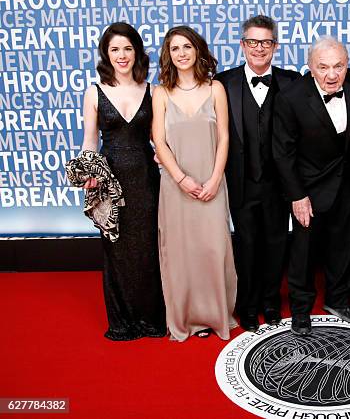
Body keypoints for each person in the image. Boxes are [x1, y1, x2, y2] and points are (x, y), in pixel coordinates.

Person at [273, 36, 350, 336]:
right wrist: (297, 196)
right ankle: (301, 310)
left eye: (338, 66)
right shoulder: (291, 96)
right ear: (310, 67)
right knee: (304, 253)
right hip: (308, 190)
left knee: (344, 247)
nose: (331, 74)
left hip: (347, 184)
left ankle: (338, 300)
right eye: (323, 67)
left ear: (347, 66)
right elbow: (282, 153)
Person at [81, 22, 166, 341]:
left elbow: (160, 140)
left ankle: (152, 319)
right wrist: (89, 171)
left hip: (145, 178)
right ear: (106, 53)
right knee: (116, 249)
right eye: (114, 49)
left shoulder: (153, 90)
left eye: (127, 48)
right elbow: (90, 140)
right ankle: (123, 321)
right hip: (108, 179)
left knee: (147, 248)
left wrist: (165, 156)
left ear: (137, 52)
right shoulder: (94, 91)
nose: (121, 55)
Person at [152, 26, 237, 341]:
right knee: (181, 252)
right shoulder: (160, 92)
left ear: (198, 50)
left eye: (187, 46)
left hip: (212, 182)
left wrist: (215, 179)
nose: (182, 53)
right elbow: (159, 142)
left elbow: (225, 137)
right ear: (168, 55)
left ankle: (216, 315)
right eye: (175, 48)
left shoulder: (215, 89)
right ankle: (188, 318)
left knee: (213, 249)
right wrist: (181, 178)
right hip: (176, 186)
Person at [215, 15, 300, 332]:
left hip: (280, 186)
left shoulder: (292, 82)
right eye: (252, 41)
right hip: (240, 183)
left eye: (266, 42)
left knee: (277, 245)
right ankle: (248, 307)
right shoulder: (223, 83)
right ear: (242, 44)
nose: (259, 48)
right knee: (247, 245)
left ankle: (271, 303)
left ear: (275, 46)